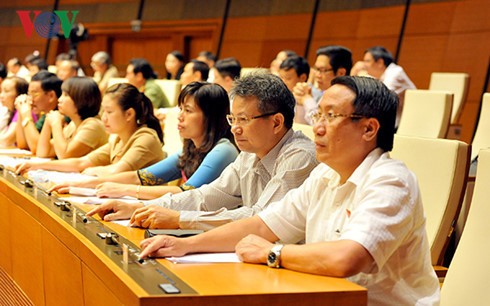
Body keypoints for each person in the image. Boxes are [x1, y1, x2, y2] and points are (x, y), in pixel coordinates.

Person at [137, 76, 440, 306]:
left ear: (369, 129)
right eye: (318, 115)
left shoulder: (390, 180)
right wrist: (185, 246)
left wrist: (272, 252)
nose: (318, 127)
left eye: (331, 116)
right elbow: (262, 224)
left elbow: (348, 258)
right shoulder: (324, 175)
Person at [86, 71, 318, 230]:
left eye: (244, 119)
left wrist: (180, 219)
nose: (235, 128)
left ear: (277, 123)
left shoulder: (298, 156)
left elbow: (261, 218)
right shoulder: (248, 154)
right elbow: (205, 196)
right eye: (233, 119)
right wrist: (140, 207)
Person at [50, 82, 238, 200]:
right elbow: (140, 176)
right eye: (180, 109)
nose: (179, 117)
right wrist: (83, 184)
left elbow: (186, 193)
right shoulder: (191, 149)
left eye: (188, 111)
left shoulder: (223, 150)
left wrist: (123, 190)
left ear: (211, 116)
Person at [16, 83, 164, 177]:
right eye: (103, 111)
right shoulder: (118, 140)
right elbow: (80, 163)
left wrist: (90, 172)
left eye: (109, 112)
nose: (104, 118)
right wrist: (36, 165)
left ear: (129, 114)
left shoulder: (146, 138)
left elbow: (116, 171)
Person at [36, 77, 108, 159]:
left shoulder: (93, 125)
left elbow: (64, 155)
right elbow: (43, 153)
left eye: (66, 95)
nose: (59, 99)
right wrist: (48, 122)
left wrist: (56, 124)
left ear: (81, 99)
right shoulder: (73, 124)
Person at [351, 46, 416, 128]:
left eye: (367, 61)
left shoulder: (395, 73)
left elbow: (381, 98)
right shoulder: (383, 75)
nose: (363, 65)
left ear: (380, 63)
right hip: (395, 121)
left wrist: (360, 76)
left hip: (408, 124)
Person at [293, 45, 352, 125]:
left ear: (341, 73)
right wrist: (301, 102)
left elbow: (320, 124)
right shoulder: (326, 93)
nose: (317, 75)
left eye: (322, 70)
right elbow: (303, 126)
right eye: (316, 69)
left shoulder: (347, 98)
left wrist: (307, 100)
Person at [15, 71, 62, 154]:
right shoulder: (45, 115)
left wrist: (26, 115)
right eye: (29, 94)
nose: (30, 99)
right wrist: (21, 112)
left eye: (34, 94)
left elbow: (37, 148)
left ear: (51, 96)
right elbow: (23, 144)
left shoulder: (61, 116)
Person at [0, 77, 29, 147]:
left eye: (6, 91)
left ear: (19, 94)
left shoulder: (23, 111)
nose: (1, 95)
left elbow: (7, 140)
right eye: (1, 91)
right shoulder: (10, 111)